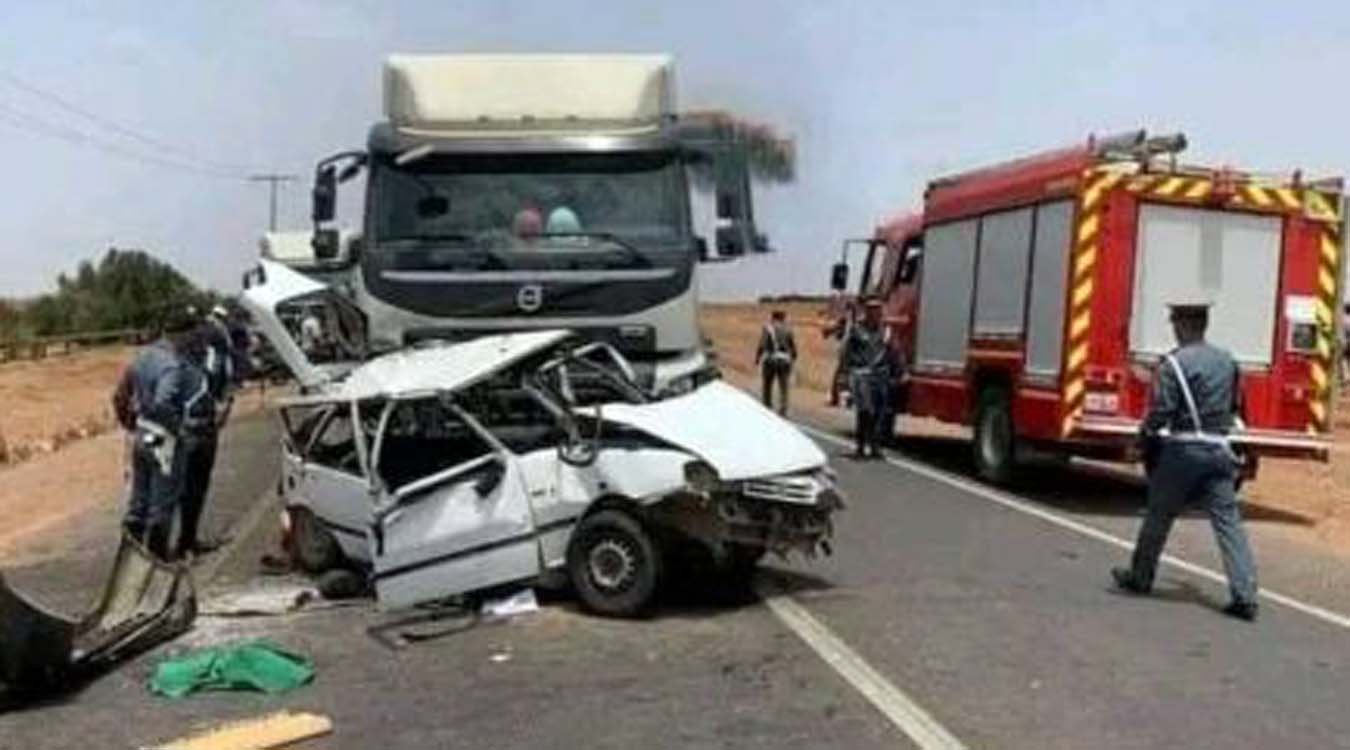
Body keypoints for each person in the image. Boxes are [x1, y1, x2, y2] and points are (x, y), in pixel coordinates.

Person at [1112, 300, 1259, 622]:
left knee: (1158, 515)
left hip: (1182, 451)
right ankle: (1245, 594)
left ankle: (1140, 576)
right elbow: (1237, 409)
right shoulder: (1228, 362)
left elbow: (1162, 410)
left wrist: (1142, 439)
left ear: (1180, 326)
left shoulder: (1173, 364)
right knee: (1229, 524)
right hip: (1219, 450)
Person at [111, 308, 200, 559]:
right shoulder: (171, 365)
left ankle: (129, 556)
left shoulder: (142, 356)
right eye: (192, 335)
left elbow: (120, 395)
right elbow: (162, 403)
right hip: (163, 439)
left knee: (138, 501)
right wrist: (179, 430)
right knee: (162, 503)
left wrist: (130, 423)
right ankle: (157, 558)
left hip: (142, 434)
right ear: (183, 334)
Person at [176, 306, 238, 558]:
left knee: (184, 489)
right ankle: (185, 542)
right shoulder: (214, 350)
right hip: (199, 428)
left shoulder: (176, 355)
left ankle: (183, 543)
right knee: (193, 488)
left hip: (188, 429)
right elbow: (227, 384)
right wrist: (225, 407)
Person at [841, 298, 894, 459]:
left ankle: (875, 447)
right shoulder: (857, 330)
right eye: (872, 309)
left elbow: (893, 352)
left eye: (878, 309)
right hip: (862, 375)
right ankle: (860, 446)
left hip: (881, 376)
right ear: (866, 311)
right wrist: (845, 375)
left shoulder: (885, 331)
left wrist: (899, 371)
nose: (875, 313)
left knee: (879, 413)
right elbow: (847, 352)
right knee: (865, 412)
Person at [755, 309, 797, 416]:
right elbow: (792, 346)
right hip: (784, 360)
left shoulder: (768, 328)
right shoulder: (788, 329)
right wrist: (793, 358)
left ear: (773, 317)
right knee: (784, 386)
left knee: (767, 385)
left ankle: (767, 406)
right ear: (783, 318)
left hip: (770, 359)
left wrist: (757, 358)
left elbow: (762, 345)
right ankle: (783, 409)